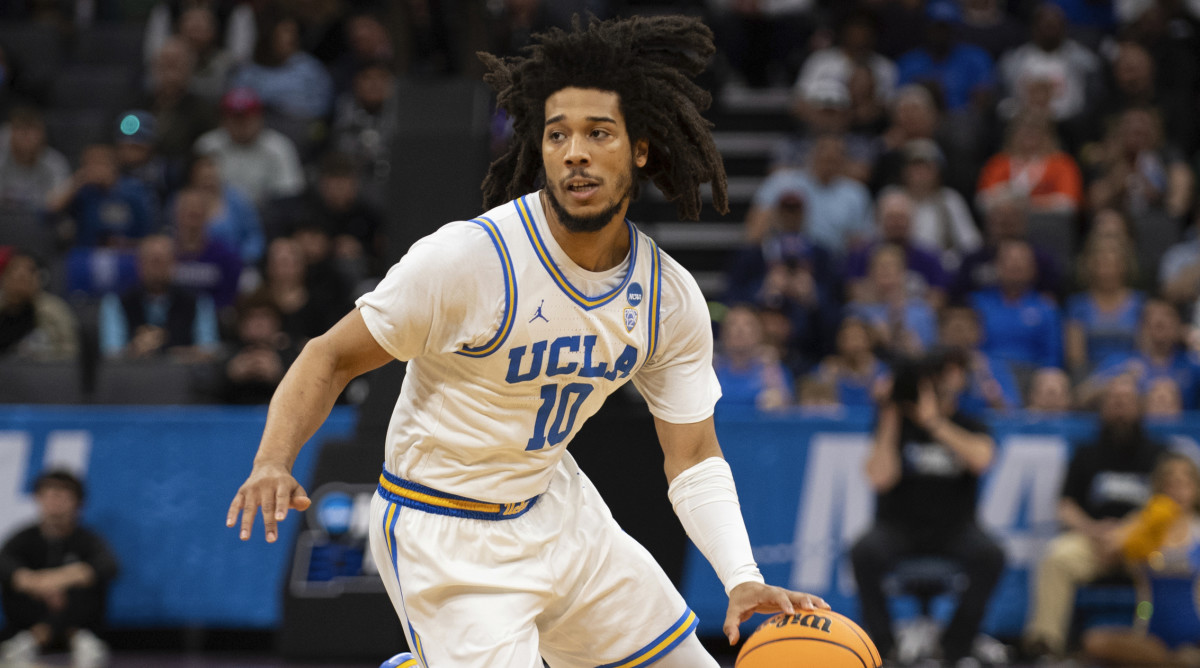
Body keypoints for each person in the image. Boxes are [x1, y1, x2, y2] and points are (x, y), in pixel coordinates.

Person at [225, 16, 826, 668]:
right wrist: (272, 460)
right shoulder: (469, 261)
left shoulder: (665, 295)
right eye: (557, 134)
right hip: (446, 530)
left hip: (559, 509)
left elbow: (694, 455)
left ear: (642, 150)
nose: (575, 151)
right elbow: (329, 355)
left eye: (599, 133)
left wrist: (741, 575)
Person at [851, 350, 1006, 665]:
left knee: (992, 555)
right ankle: (884, 648)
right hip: (898, 528)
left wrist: (934, 423)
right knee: (863, 551)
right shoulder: (895, 424)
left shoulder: (969, 423)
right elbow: (880, 478)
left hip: (955, 528)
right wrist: (890, 413)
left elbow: (982, 459)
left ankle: (954, 648)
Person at [1021, 374, 1168, 660]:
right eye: (1114, 402)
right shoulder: (1087, 453)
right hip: (1093, 540)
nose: (1120, 407)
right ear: (1103, 409)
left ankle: (1148, 646)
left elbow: (1167, 506)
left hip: (1142, 542)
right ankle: (1045, 645)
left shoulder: (1158, 454)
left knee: (1166, 565)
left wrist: (1125, 534)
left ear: (1138, 407)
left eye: (1126, 401)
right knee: (1056, 557)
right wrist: (1093, 530)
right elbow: (1065, 505)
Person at [1082, 453, 1200, 667]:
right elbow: (1106, 551)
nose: (1178, 492)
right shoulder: (1142, 524)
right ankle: (1175, 662)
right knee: (1094, 640)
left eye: (1184, 484)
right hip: (1150, 631)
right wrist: (1144, 526)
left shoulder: (1198, 530)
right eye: (1171, 484)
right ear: (1159, 489)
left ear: (1196, 489)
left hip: (1195, 630)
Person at [0, 470, 119, 667]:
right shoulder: (22, 539)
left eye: (63, 497)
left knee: (90, 579)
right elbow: (6, 565)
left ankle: (80, 638)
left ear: (78, 503)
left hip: (76, 621)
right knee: (12, 580)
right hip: (29, 619)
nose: (55, 503)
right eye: (49, 496)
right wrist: (34, 583)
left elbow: (109, 565)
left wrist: (60, 579)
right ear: (38, 499)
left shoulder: (88, 540)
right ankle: (29, 639)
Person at [98, 234, 219, 358]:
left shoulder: (198, 301)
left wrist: (174, 353)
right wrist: (134, 350)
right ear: (139, 265)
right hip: (133, 375)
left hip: (182, 375)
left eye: (162, 261)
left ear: (174, 264)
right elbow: (111, 354)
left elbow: (209, 351)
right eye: (153, 262)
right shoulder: (117, 301)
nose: (157, 269)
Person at [0, 251, 79, 360]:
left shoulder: (55, 310)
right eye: (15, 269)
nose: (22, 275)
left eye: (30, 270)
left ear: (40, 278)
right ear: (4, 277)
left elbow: (71, 352)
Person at [712, 304, 793, 411]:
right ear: (723, 333)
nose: (740, 330)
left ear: (759, 333)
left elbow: (787, 412)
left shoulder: (773, 370)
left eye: (748, 325)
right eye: (733, 324)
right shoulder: (711, 370)